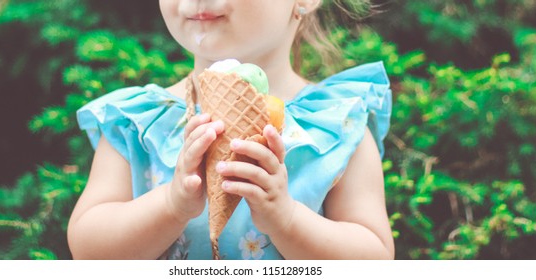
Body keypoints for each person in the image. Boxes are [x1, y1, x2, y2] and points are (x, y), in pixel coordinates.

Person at [67, 0, 394, 260]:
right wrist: (169, 206)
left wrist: (288, 221)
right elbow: (87, 249)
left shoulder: (337, 123)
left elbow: (374, 258)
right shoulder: (137, 122)